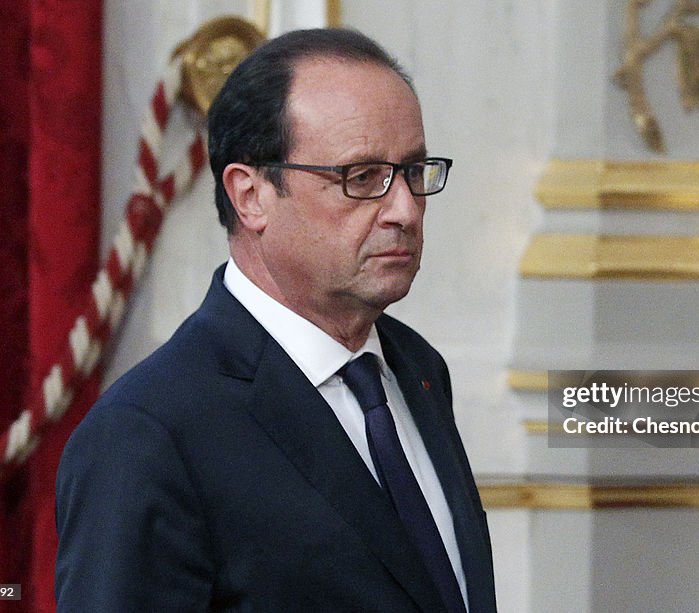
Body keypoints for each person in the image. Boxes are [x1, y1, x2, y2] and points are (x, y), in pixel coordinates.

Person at [55, 28, 495, 612]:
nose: (405, 210)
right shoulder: (149, 434)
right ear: (250, 195)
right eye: (361, 178)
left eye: (414, 172)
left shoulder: (416, 369)